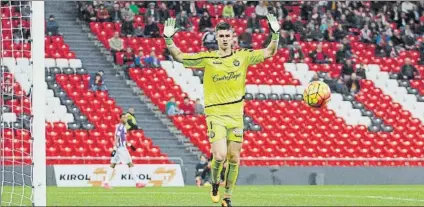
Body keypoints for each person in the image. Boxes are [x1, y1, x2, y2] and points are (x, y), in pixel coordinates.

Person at [163, 14, 280, 207]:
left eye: (228, 36)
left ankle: (227, 197)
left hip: (236, 115)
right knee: (219, 156)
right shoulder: (208, 58)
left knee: (234, 158)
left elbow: (269, 52)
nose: (225, 39)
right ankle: (215, 183)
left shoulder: (243, 56)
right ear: (216, 38)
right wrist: (168, 39)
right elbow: (180, 56)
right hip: (215, 114)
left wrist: (275, 34)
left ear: (233, 37)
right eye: (221, 36)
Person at [103, 114, 145, 189]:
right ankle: (137, 182)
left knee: (112, 164)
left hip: (119, 147)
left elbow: (123, 138)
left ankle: (106, 183)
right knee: (130, 163)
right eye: (124, 117)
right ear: (120, 118)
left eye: (126, 117)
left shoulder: (122, 127)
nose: (126, 119)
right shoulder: (121, 126)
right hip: (121, 148)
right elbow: (117, 137)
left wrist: (130, 145)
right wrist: (115, 148)